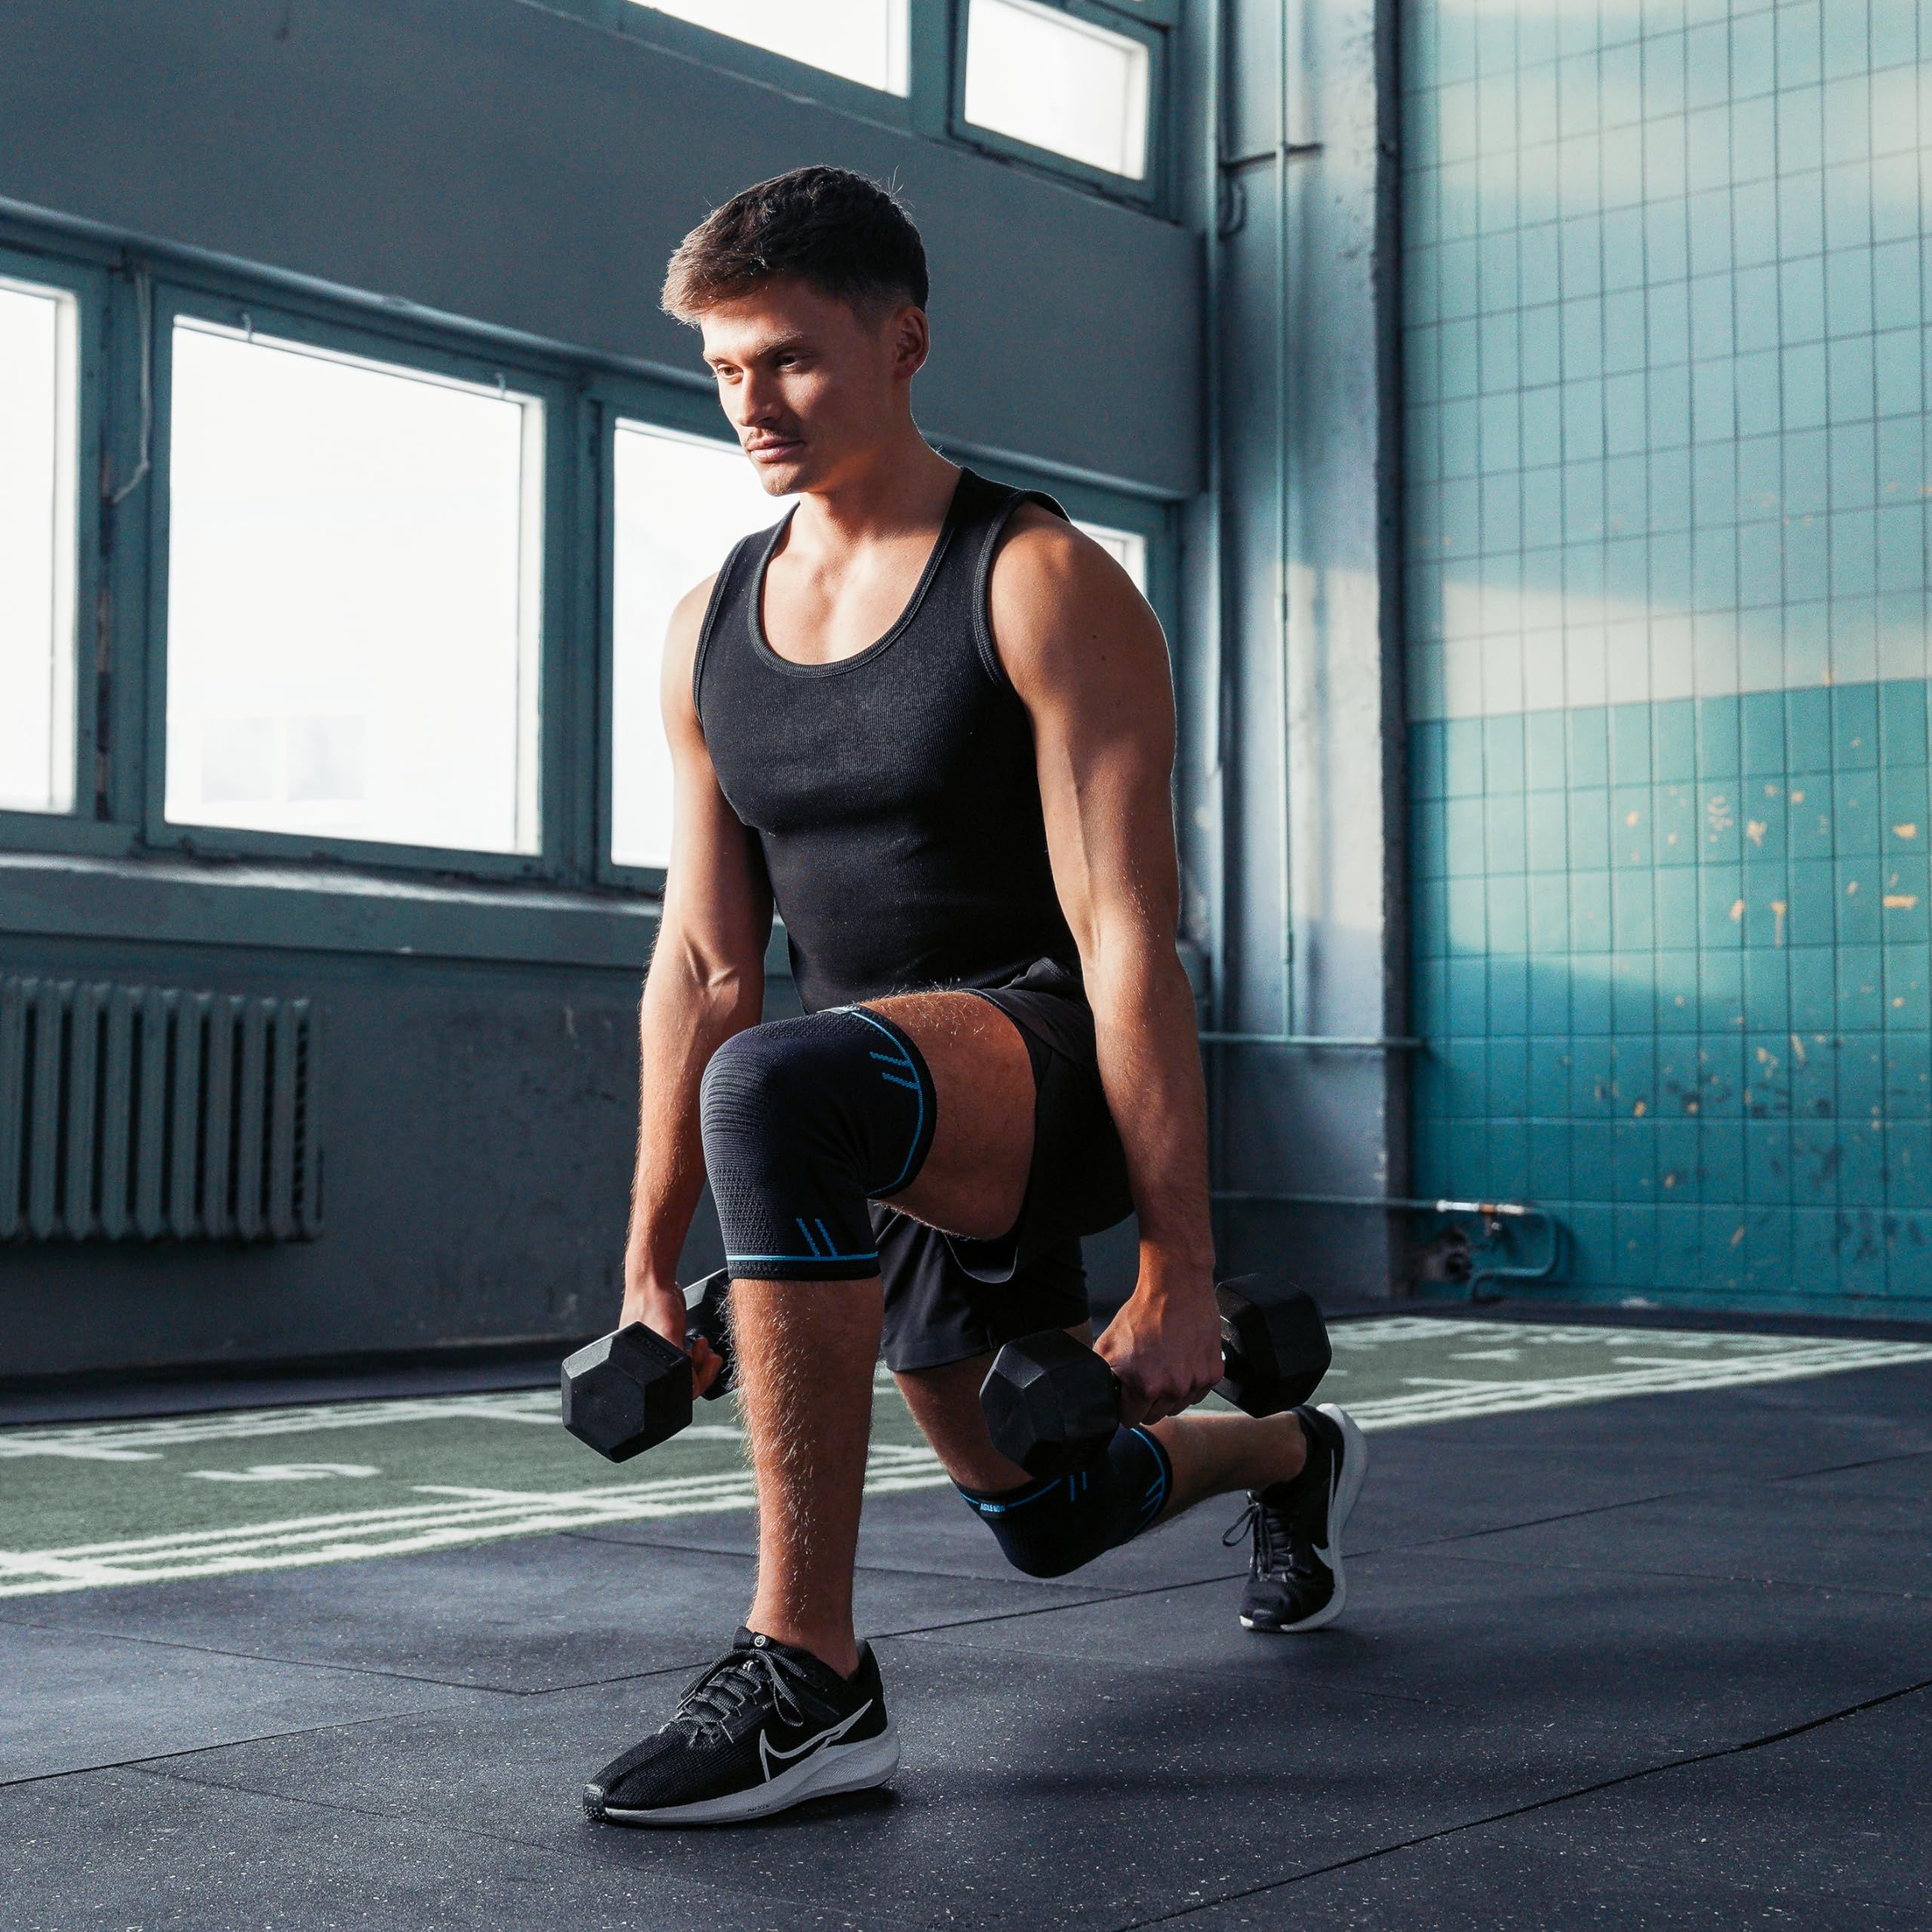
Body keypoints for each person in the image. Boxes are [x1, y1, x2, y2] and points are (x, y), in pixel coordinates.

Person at [584, 165, 1367, 1828]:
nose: (751, 402)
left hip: (1044, 1049)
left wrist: (1177, 1264)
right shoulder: (702, 627)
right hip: (866, 1093)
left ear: (902, 339)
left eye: (787, 357)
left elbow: (1128, 936)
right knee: (1046, 1509)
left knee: (774, 1087)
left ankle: (810, 1673)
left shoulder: (1035, 578)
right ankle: (1294, 1455)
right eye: (723, 368)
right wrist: (649, 1261)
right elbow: (710, 963)